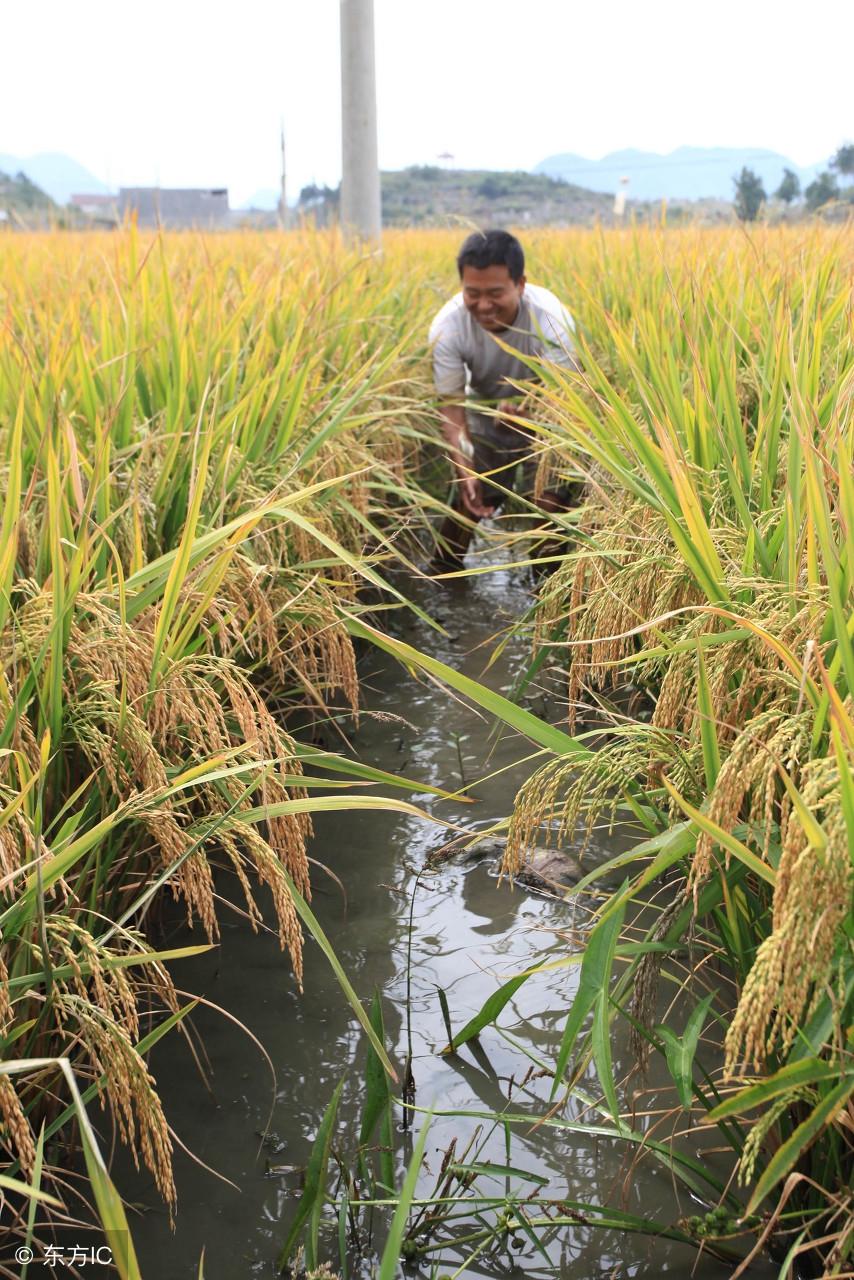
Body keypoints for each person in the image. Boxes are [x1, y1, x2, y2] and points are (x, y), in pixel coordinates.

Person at [428, 229, 579, 570]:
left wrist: (531, 415)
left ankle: (545, 586)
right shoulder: (448, 327)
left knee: (549, 503)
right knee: (465, 498)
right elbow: (452, 409)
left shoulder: (551, 321)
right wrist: (465, 470)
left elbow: (566, 404)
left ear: (520, 284)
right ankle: (444, 582)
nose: (483, 305)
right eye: (472, 293)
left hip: (547, 426)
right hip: (482, 416)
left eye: (495, 293)